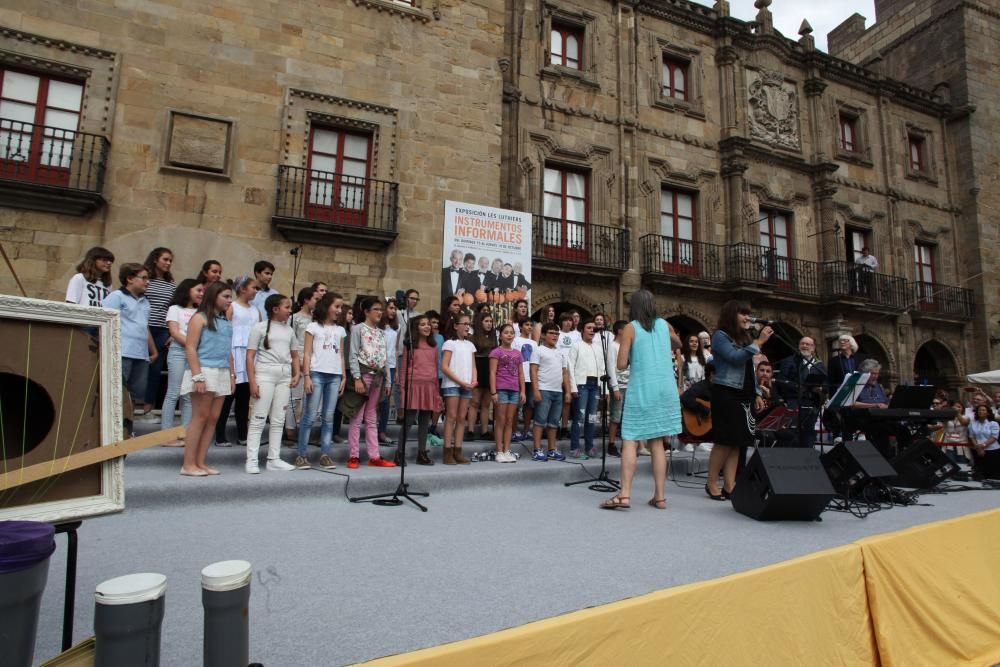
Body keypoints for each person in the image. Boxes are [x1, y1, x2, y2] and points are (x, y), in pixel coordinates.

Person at [601, 289, 682, 510]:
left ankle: (625, 495)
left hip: (643, 388)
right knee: (657, 443)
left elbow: (621, 364)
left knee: (630, 438)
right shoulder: (664, 325)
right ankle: (660, 497)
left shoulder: (631, 327)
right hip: (666, 388)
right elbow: (678, 344)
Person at [705, 301, 771, 501]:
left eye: (748, 314)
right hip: (726, 392)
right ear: (732, 315)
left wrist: (758, 392)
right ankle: (711, 482)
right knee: (724, 440)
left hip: (744, 394)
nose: (747, 318)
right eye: (743, 314)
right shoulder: (720, 337)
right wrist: (758, 344)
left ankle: (730, 484)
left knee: (738, 442)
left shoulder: (743, 338)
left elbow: (749, 369)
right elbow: (734, 358)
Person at [180, 281, 234, 476]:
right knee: (200, 417)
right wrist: (198, 376)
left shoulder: (226, 321)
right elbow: (190, 347)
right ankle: (188, 464)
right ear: (214, 296)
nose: (230, 301)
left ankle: (200, 462)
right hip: (204, 369)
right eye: (226, 297)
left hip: (221, 370)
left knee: (213, 418)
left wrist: (232, 375)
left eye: (230, 297)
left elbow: (228, 351)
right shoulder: (199, 318)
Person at [245, 293, 300, 473]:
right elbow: (250, 355)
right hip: (265, 375)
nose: (290, 311)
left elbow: (294, 354)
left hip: (284, 376)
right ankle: (251, 460)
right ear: (275, 309)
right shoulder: (259, 328)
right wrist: (252, 381)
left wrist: (297, 373)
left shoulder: (289, 330)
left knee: (278, 419)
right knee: (259, 418)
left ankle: (273, 459)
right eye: (287, 307)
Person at [295, 292, 346, 469]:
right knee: (309, 416)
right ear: (327, 306)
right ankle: (301, 454)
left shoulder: (340, 330)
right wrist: (307, 376)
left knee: (329, 416)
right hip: (316, 373)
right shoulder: (313, 327)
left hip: (334, 375)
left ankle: (325, 453)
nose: (339, 310)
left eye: (341, 307)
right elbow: (307, 353)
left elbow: (340, 354)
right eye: (337, 306)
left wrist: (343, 376)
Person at [103, 263, 158, 418]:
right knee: (118, 391)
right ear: (130, 279)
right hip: (123, 351)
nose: (148, 282)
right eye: (144, 278)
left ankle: (128, 426)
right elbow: (105, 321)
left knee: (134, 395)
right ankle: (114, 428)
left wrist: (153, 350)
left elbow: (144, 326)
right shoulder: (116, 297)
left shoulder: (145, 302)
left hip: (140, 354)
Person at [347, 297, 396, 468]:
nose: (380, 312)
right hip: (364, 374)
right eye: (376, 309)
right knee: (357, 416)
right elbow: (352, 355)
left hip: (379, 377)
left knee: (371, 417)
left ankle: (374, 456)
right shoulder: (358, 329)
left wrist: (389, 382)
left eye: (381, 309)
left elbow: (386, 358)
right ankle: (354, 455)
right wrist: (357, 377)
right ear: (366, 311)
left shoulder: (382, 333)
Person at [213, 276, 260, 447]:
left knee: (244, 396)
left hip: (249, 354)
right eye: (254, 287)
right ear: (243, 289)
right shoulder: (232, 307)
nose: (256, 291)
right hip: (234, 352)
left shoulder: (255, 310)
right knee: (228, 396)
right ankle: (220, 435)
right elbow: (225, 329)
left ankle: (242, 434)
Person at [395, 315, 443, 466]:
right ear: (416, 328)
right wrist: (403, 391)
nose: (427, 327)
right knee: (408, 420)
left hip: (429, 387)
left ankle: (421, 453)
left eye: (428, 324)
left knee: (424, 421)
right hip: (414, 386)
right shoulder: (409, 345)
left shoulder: (434, 346)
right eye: (423, 324)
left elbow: (435, 369)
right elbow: (403, 371)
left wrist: (436, 392)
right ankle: (399, 453)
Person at [161, 279, 203, 436]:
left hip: (195, 353)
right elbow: (174, 331)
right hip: (179, 351)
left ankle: (185, 433)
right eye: (198, 290)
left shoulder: (200, 312)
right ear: (187, 290)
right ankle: (166, 433)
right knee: (173, 392)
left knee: (188, 394)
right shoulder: (175, 308)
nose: (201, 294)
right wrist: (191, 345)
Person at [569, 319, 616, 459]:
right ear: (583, 330)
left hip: (596, 385)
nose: (591, 330)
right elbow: (570, 367)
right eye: (588, 327)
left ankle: (589, 447)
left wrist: (605, 389)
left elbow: (604, 368)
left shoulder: (599, 347)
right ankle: (575, 447)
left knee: (591, 418)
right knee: (579, 418)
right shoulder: (576, 346)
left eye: (593, 328)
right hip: (582, 384)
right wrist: (573, 387)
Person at [142, 247, 176, 418]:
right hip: (144, 328)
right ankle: (130, 406)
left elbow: (173, 308)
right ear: (155, 259)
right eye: (165, 259)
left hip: (162, 329)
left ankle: (148, 408)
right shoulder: (145, 279)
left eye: (170, 260)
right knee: (139, 366)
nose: (168, 263)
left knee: (155, 370)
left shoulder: (171, 284)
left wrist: (172, 332)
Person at [776, 337, 827, 448]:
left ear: (813, 348)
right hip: (794, 401)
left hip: (813, 403)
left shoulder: (819, 365)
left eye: (808, 344)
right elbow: (780, 381)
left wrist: (821, 389)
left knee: (809, 432)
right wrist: (798, 387)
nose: (804, 346)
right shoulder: (789, 361)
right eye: (802, 343)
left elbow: (826, 384)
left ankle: (807, 458)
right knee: (793, 431)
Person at [530, 322, 570, 462]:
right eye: (551, 333)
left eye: (557, 333)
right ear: (543, 335)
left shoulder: (561, 352)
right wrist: (536, 390)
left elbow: (565, 373)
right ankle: (537, 449)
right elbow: (533, 370)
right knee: (540, 421)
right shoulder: (538, 350)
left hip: (558, 391)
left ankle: (552, 449)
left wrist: (568, 392)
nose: (555, 336)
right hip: (544, 389)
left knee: (554, 423)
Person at [284, 286, 319, 444]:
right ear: (306, 300)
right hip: (297, 357)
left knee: (308, 396)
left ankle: (304, 428)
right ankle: (290, 429)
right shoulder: (295, 318)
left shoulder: (316, 320)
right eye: (315, 299)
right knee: (295, 395)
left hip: (312, 358)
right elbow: (292, 341)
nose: (318, 302)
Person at [441, 312, 476, 465]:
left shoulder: (470, 345)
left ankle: (458, 451)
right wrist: (461, 382)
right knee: (451, 417)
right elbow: (444, 366)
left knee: (462, 418)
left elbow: (474, 366)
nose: (468, 326)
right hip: (453, 385)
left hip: (467, 385)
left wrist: (474, 380)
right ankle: (447, 451)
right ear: (456, 326)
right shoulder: (450, 343)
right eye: (465, 324)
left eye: (469, 324)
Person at [489, 323, 524, 462]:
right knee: (501, 420)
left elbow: (521, 374)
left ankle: (507, 450)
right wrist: (493, 391)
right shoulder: (496, 352)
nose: (509, 335)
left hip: (514, 390)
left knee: (510, 421)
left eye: (511, 333)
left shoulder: (517, 353)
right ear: (500, 335)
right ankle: (499, 451)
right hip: (501, 389)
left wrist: (523, 391)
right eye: (506, 332)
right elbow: (492, 372)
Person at [469, 309, 497, 440]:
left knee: (486, 403)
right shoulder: (473, 338)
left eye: (491, 321)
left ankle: (485, 431)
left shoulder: (494, 338)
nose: (489, 324)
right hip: (478, 368)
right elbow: (471, 357)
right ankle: (470, 430)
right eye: (486, 321)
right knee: (474, 402)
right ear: (480, 323)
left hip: (490, 369)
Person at [377, 299, 400, 445]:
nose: (393, 311)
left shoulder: (396, 328)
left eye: (395, 308)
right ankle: (371, 429)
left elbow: (396, 349)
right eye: (391, 308)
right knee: (373, 399)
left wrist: (396, 370)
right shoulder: (379, 327)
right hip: (378, 365)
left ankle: (382, 431)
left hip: (391, 366)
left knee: (386, 400)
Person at [606, 320, 630, 457]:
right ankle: (611, 444)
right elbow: (610, 367)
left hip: (629, 385)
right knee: (616, 416)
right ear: (620, 331)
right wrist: (614, 388)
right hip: (619, 386)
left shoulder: (628, 346)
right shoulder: (612, 346)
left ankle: (626, 445)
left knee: (627, 417)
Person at [512, 317, 536, 441]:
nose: (529, 327)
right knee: (516, 405)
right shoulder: (515, 341)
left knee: (529, 405)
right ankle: (514, 431)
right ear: (520, 327)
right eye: (527, 324)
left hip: (531, 377)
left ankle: (526, 430)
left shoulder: (534, 343)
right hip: (518, 376)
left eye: (531, 325)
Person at [968, 405, 1000, 479]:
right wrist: (978, 448)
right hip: (978, 450)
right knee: (979, 475)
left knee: (993, 475)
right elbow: (972, 437)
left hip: (992, 450)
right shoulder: (973, 423)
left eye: (983, 410)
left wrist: (983, 445)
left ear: (987, 413)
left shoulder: (993, 423)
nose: (980, 411)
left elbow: (994, 437)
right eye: (979, 410)